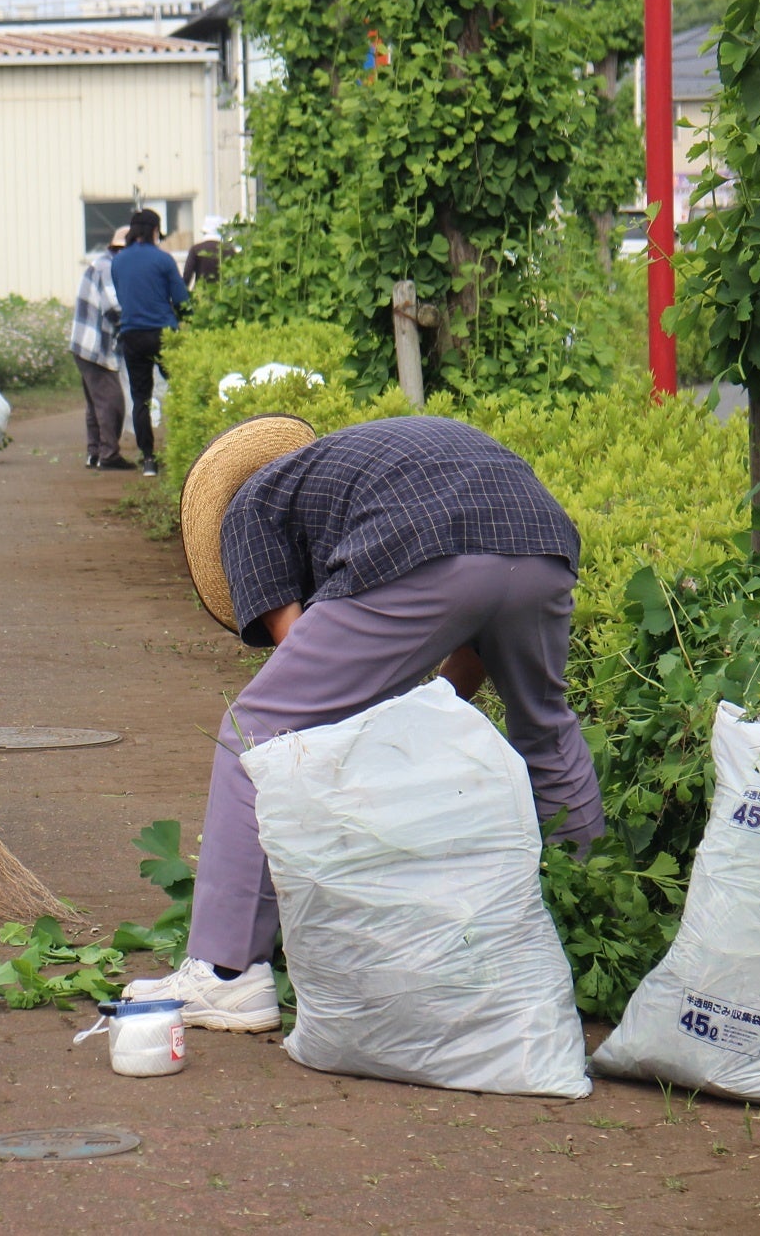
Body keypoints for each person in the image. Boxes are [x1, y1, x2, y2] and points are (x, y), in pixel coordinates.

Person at [123, 413, 603, 1031]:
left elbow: (303, 708)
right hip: (540, 543)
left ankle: (225, 973)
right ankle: (595, 924)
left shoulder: (245, 509)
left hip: (424, 550)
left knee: (253, 731)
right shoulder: (357, 470)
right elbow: (463, 664)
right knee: (545, 729)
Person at [107, 207, 188, 477]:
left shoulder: (117, 261)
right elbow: (181, 299)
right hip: (163, 333)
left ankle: (149, 459)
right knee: (180, 390)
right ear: (155, 230)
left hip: (132, 334)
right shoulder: (163, 260)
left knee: (141, 398)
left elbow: (121, 297)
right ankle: (184, 450)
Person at [70, 225, 133, 471]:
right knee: (111, 402)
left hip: (85, 345)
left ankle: (94, 453)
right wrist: (133, 325)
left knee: (96, 403)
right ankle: (108, 453)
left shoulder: (102, 263)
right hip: (96, 346)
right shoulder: (109, 267)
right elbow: (113, 306)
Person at [183, 215, 226, 286]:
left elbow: (187, 275)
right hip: (224, 293)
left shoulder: (196, 249)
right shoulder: (229, 249)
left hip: (201, 293)